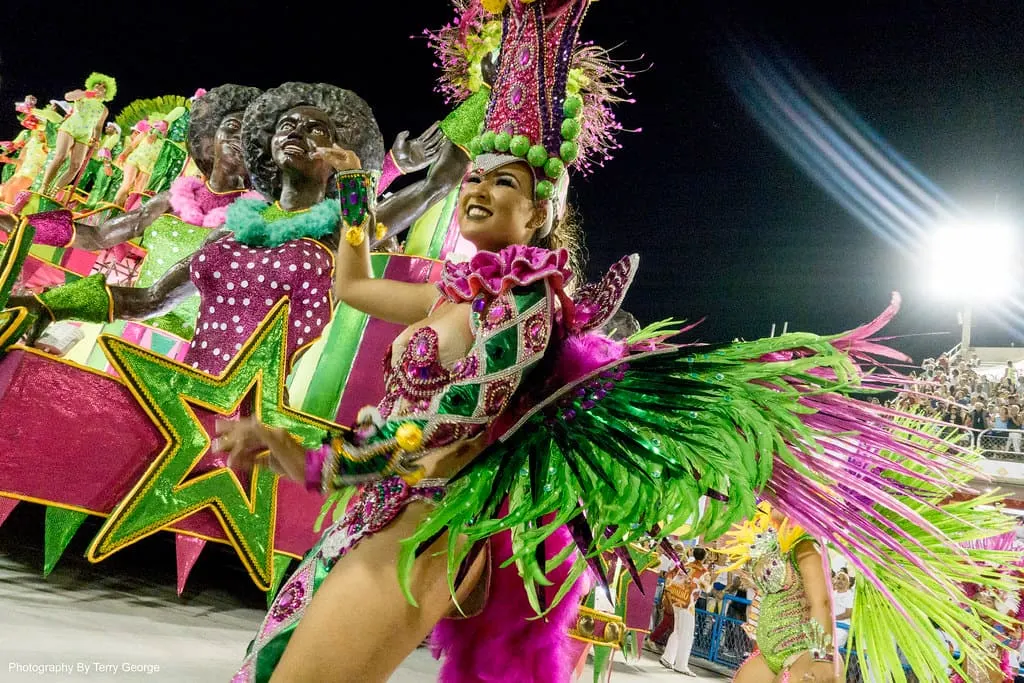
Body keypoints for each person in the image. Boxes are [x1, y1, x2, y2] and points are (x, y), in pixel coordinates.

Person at [212, 2, 1020, 682]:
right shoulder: (450, 287)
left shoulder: (525, 311)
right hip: (370, 514)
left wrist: (302, 453)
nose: (480, 191)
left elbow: (443, 432)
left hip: (424, 528)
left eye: (507, 182)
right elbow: (352, 282)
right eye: (476, 176)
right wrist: (355, 182)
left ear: (541, 218)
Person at [39, 72, 116, 194]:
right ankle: (44, 186)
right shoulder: (82, 95)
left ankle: (54, 191)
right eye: (97, 84)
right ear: (92, 86)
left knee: (75, 166)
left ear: (106, 93)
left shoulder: (104, 109)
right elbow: (68, 97)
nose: (100, 87)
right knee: (60, 157)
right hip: (70, 128)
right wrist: (87, 93)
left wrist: (96, 139)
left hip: (84, 135)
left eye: (103, 87)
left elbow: (98, 126)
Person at [661, 547, 713, 676]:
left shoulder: (686, 565)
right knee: (687, 634)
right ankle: (681, 664)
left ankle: (668, 657)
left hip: (676, 599)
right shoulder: (703, 572)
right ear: (704, 557)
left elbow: (673, 577)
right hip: (688, 604)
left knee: (677, 630)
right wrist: (712, 576)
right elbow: (707, 589)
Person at [832, 571, 854, 649]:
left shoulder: (850, 595)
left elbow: (848, 614)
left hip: (842, 627)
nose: (840, 581)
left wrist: (832, 618)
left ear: (848, 584)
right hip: (830, 624)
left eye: (843, 579)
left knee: (832, 647)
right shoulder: (832, 594)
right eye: (838, 578)